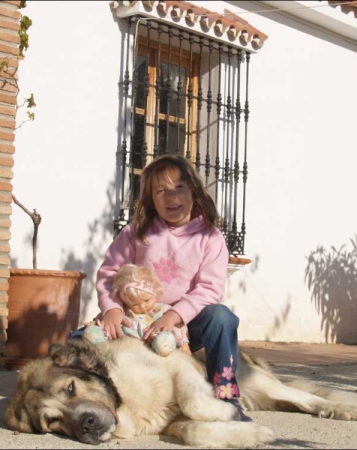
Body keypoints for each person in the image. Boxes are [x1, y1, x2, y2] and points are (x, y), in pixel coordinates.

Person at [92, 153, 252, 422]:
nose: (171, 197)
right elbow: (109, 272)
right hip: (137, 319)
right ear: (151, 200)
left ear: (194, 192)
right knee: (79, 339)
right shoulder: (137, 232)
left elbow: (210, 289)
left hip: (186, 324)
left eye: (179, 188)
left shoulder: (209, 236)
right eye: (161, 191)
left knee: (222, 317)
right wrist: (111, 309)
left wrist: (175, 315)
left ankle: (225, 395)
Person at [82, 263, 191, 356]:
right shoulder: (124, 312)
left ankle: (164, 345)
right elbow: (106, 319)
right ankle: (96, 339)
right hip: (125, 346)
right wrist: (98, 325)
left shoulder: (162, 310)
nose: (143, 307)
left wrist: (183, 344)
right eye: (135, 304)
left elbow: (177, 326)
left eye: (147, 300)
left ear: (155, 293)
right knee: (95, 333)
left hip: (152, 343)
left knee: (164, 339)